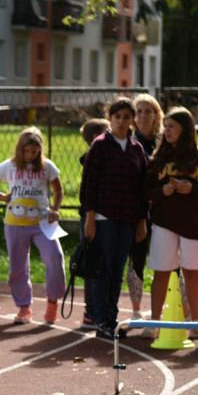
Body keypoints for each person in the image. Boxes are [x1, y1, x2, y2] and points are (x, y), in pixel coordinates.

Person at [144, 106, 198, 339]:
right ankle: (155, 322)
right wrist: (162, 191)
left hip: (193, 224)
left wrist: (192, 189)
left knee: (192, 272)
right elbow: (145, 189)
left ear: (185, 129)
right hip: (164, 223)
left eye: (172, 127)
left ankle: (196, 322)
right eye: (165, 127)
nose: (166, 131)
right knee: (162, 272)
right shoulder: (159, 157)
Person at [79, 97, 149, 339]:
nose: (121, 121)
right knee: (103, 269)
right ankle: (102, 320)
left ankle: (112, 317)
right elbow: (88, 184)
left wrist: (142, 221)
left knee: (118, 270)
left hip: (128, 218)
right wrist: (89, 217)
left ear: (132, 120)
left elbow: (142, 189)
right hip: (103, 216)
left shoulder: (137, 150)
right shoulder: (99, 146)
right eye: (117, 117)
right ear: (110, 118)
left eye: (126, 117)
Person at [0, 127, 65, 325]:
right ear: (20, 149)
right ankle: (23, 307)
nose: (29, 155)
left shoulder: (47, 166)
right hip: (15, 224)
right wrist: (2, 197)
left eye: (34, 152)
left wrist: (55, 208)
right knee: (18, 267)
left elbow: (58, 189)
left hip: (43, 223)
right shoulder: (8, 166)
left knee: (55, 258)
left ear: (39, 150)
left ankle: (52, 303)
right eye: (26, 151)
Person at [128, 94, 164, 322]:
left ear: (156, 115)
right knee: (137, 258)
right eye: (138, 111)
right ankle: (136, 309)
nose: (142, 116)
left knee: (168, 261)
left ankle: (176, 307)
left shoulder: (165, 141)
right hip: (136, 211)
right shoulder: (128, 142)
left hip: (163, 211)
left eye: (147, 111)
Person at [77, 118, 110, 329]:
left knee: (99, 263)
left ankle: (96, 310)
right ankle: (92, 311)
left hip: (104, 216)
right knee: (92, 263)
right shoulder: (92, 159)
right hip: (92, 216)